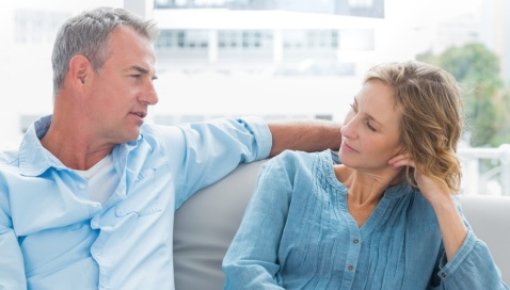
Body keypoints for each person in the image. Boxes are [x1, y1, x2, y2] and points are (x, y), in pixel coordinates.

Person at [0, 7, 342, 290]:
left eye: (153, 80)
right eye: (136, 76)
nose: (152, 96)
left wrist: (360, 137)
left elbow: (257, 135)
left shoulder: (163, 152)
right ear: (81, 74)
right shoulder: (7, 185)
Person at [223, 61, 510, 289]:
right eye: (354, 109)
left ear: (410, 145)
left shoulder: (432, 211)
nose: (346, 130)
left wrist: (444, 203)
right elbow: (244, 270)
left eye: (370, 125)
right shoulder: (290, 174)